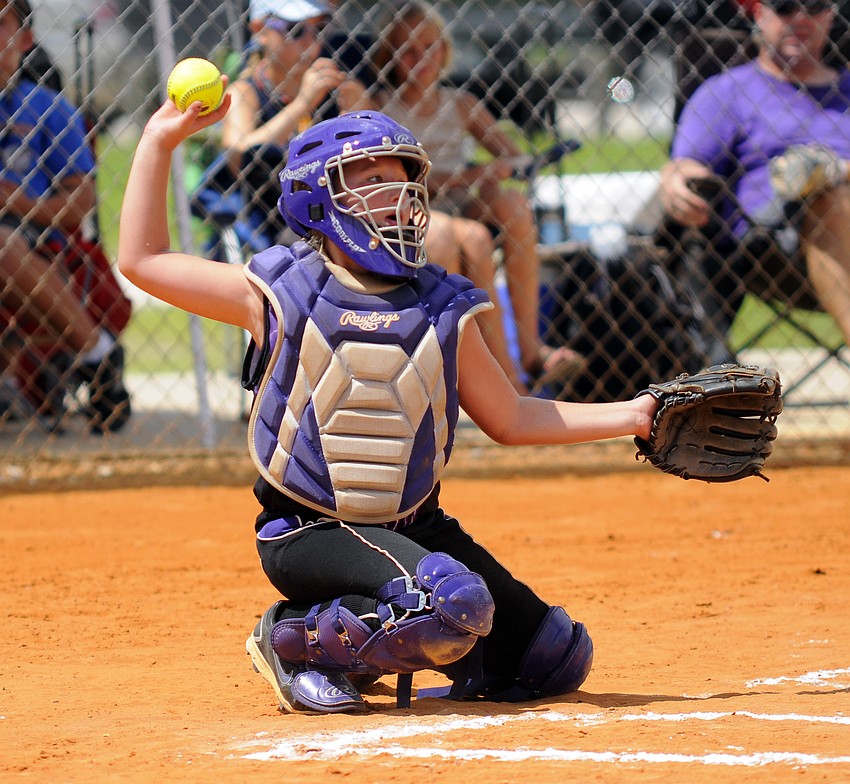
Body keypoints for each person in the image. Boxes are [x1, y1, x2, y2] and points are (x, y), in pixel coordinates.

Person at [117, 90, 658, 713]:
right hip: (311, 529)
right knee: (449, 604)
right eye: (371, 180)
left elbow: (511, 417)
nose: (395, 196)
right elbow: (143, 258)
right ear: (318, 197)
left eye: (401, 181)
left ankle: (386, 623)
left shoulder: (441, 305)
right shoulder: (277, 291)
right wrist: (159, 141)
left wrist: (634, 413)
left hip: (413, 527)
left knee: (553, 656)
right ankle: (293, 640)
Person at [339, 1, 583, 394]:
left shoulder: (460, 104)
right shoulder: (381, 107)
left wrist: (498, 172)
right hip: (409, 209)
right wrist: (469, 174)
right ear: (390, 56)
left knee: (514, 206)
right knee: (472, 237)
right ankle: (504, 378)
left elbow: (514, 157)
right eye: (408, 50)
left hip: (460, 204)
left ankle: (532, 350)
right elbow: (395, 182)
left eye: (431, 48)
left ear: (445, 53)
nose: (421, 60)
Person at [660, 0, 850, 350]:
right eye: (785, 6)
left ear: (831, 14)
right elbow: (686, 163)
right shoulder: (727, 91)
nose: (800, 19)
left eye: (814, 5)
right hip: (776, 246)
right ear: (759, 13)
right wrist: (674, 180)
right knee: (832, 199)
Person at [0, 0, 130, 431]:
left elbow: (80, 204)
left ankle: (96, 353)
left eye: (2, 23)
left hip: (36, 234)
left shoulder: (47, 108)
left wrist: (19, 204)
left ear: (24, 40)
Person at [218, 0, 364, 244]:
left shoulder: (334, 89)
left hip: (341, 214)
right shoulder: (246, 91)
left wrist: (360, 112)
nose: (309, 41)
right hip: (272, 227)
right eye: (295, 30)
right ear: (259, 29)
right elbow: (237, 154)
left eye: (318, 29)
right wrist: (302, 103)